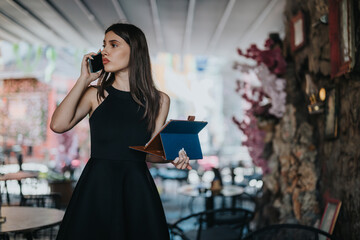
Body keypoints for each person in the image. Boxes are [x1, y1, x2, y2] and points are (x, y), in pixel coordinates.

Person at [50, 23, 191, 240]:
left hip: (136, 189)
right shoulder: (94, 94)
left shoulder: (159, 100)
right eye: (104, 45)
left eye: (114, 44)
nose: (105, 51)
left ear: (135, 51)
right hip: (97, 188)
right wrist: (84, 79)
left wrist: (173, 157)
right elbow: (58, 125)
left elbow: (150, 153)